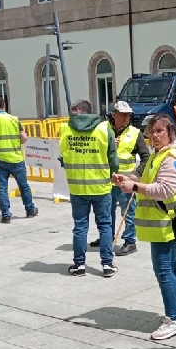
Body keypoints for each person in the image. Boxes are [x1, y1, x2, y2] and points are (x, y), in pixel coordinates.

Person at [113, 114, 176, 340]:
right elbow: (145, 172)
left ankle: (173, 319)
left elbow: (165, 189)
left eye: (160, 131)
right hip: (165, 223)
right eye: (152, 132)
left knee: (165, 271)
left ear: (170, 132)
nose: (155, 136)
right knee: (173, 269)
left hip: (164, 224)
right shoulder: (161, 154)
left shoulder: (171, 157)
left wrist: (135, 187)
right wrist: (127, 179)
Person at [60, 99, 119, 277]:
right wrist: (111, 173)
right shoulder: (104, 129)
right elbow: (113, 160)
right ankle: (107, 265)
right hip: (101, 187)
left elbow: (63, 157)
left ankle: (79, 265)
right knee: (105, 226)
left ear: (78, 111)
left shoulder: (65, 129)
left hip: (78, 188)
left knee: (80, 227)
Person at [89, 101, 150, 257]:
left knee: (128, 211)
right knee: (105, 211)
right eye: (123, 114)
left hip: (125, 182)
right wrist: (107, 145)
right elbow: (92, 150)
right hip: (106, 179)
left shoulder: (135, 133)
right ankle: (106, 237)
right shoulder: (101, 129)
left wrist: (135, 175)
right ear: (114, 114)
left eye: (128, 114)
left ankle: (130, 241)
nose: (126, 117)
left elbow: (145, 156)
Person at [0, 96, 37, 223]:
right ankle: (30, 210)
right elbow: (24, 137)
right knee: (24, 186)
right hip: (16, 158)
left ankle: (6, 215)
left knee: (2, 188)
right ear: (4, 105)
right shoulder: (13, 119)